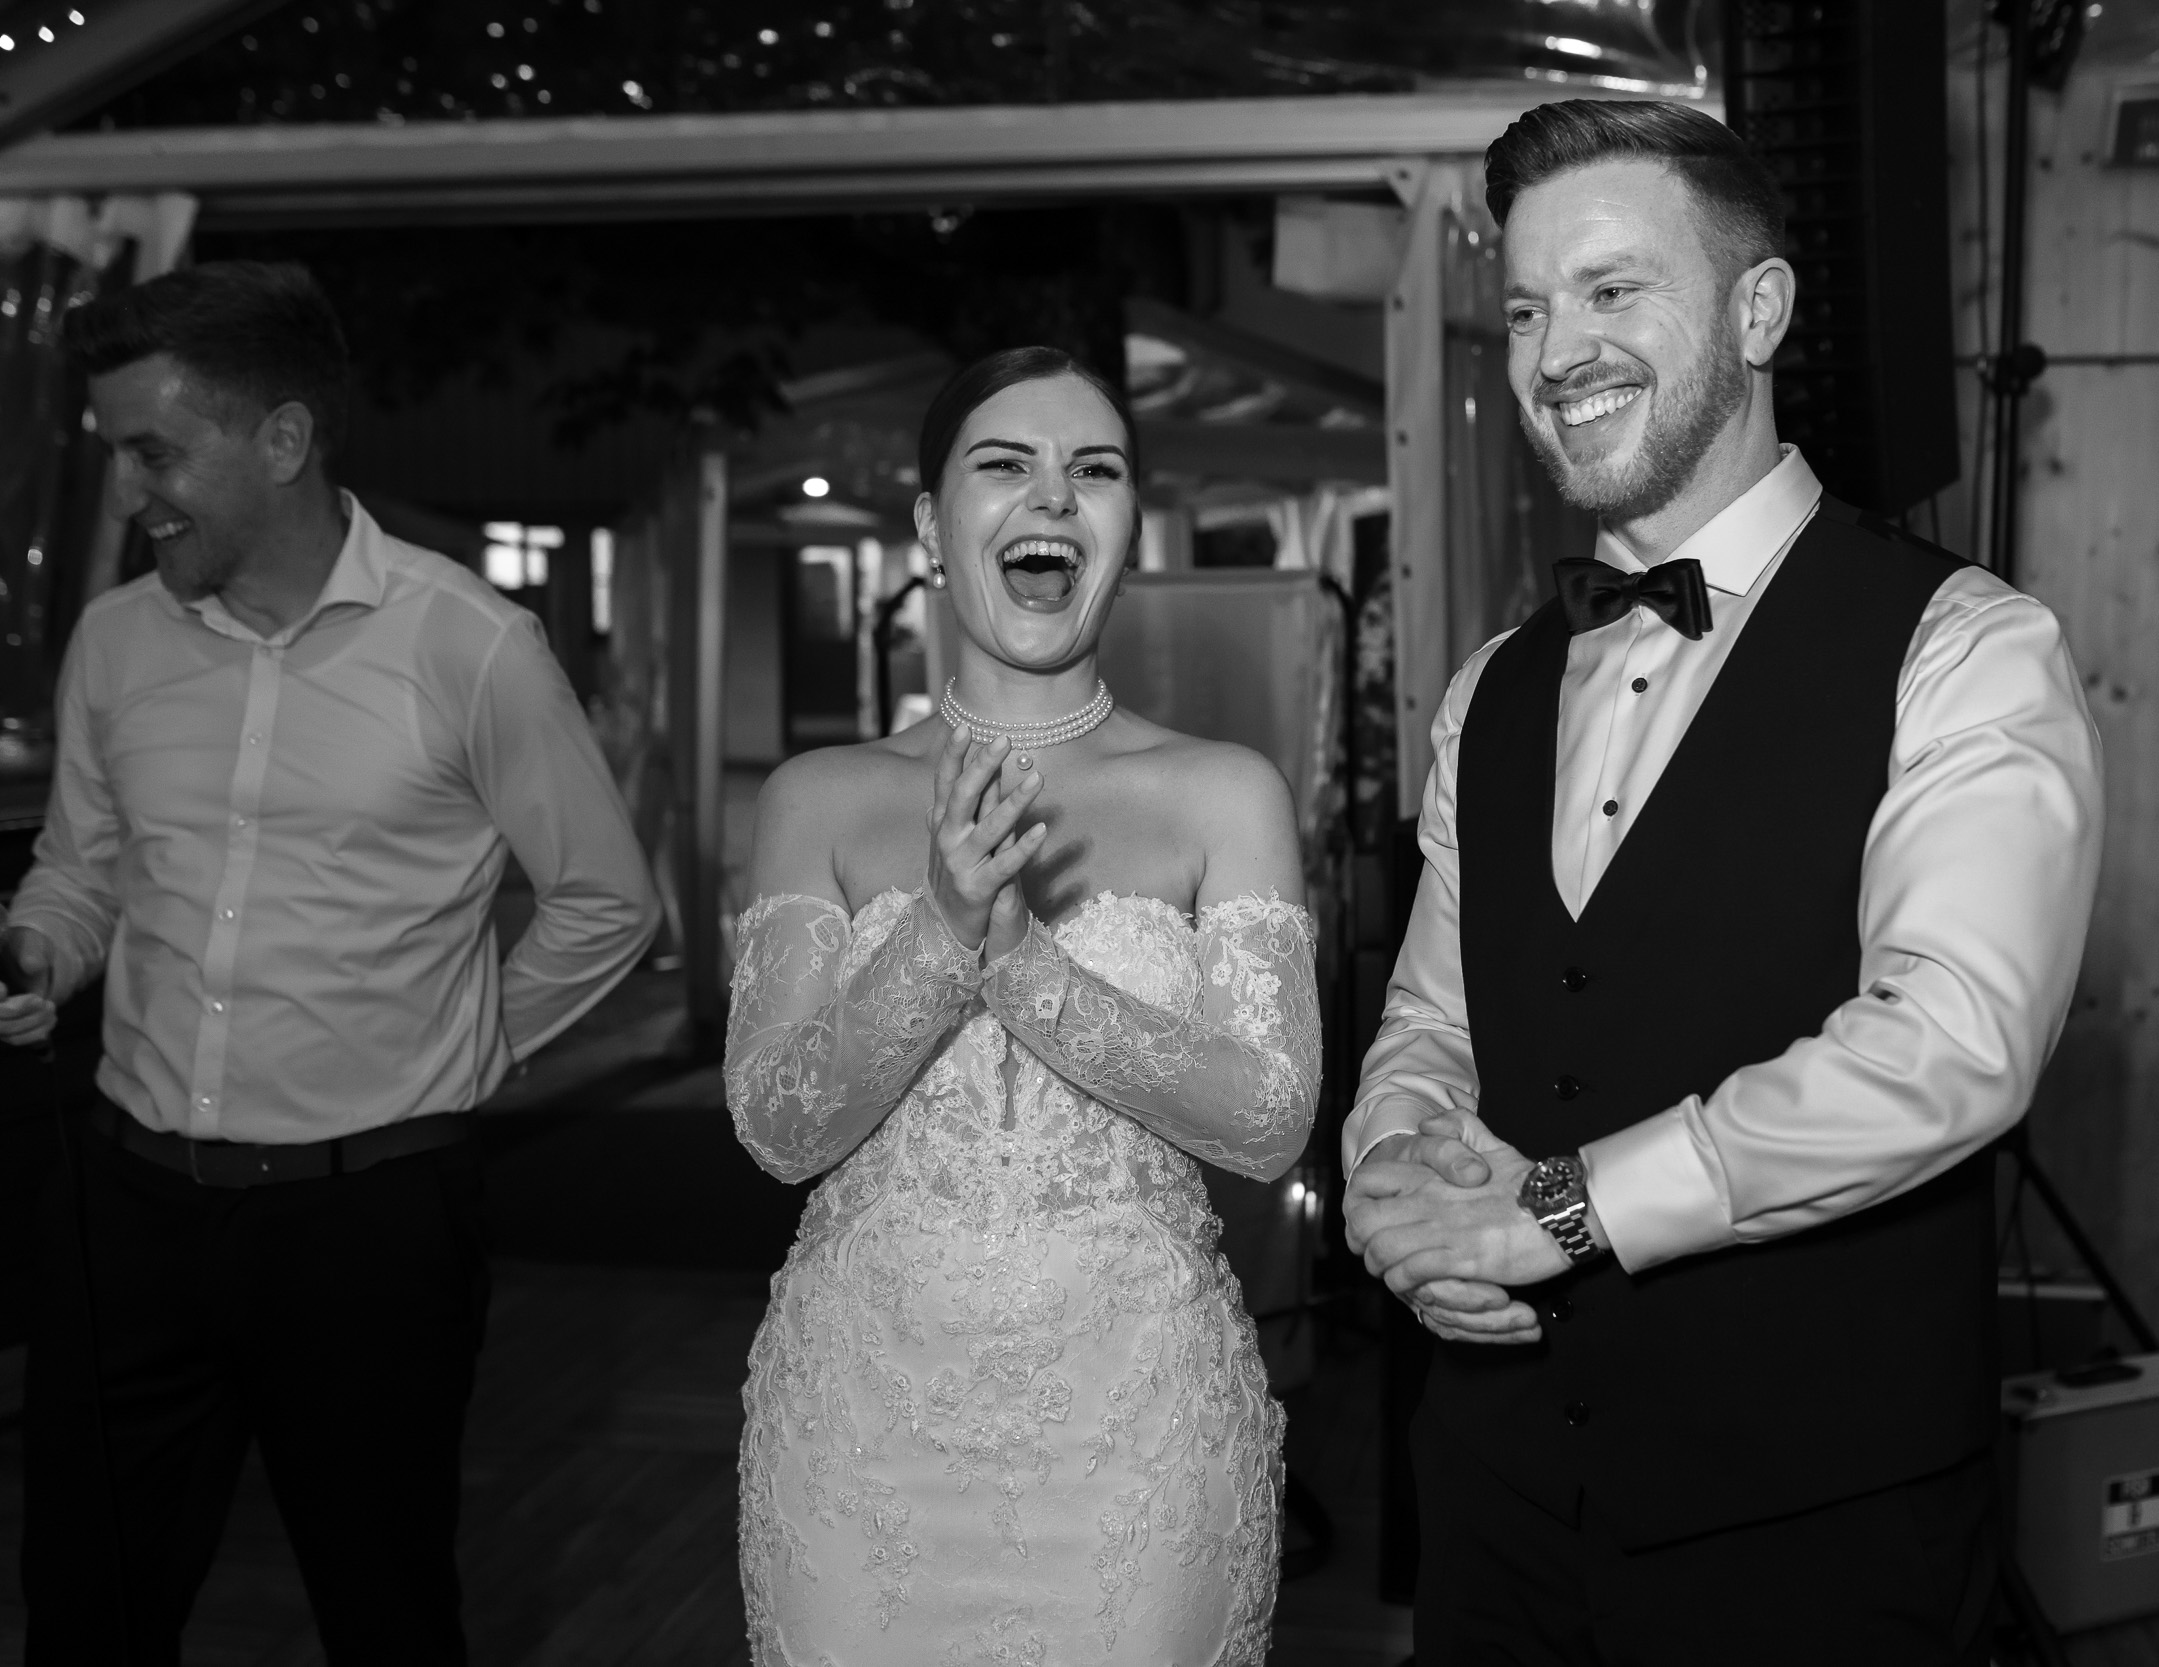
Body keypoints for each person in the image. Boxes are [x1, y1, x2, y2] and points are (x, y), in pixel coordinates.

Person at [1340, 101, 2105, 1665]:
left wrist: (1561, 1213)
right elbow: (1433, 1019)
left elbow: (1951, 1041)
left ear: (1759, 312)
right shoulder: (1490, 688)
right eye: (1527, 312)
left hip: (1813, 1532)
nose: (1559, 353)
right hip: (1492, 1509)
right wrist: (1400, 1186)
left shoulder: (1965, 648)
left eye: (1613, 290)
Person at [0, 261, 660, 1663]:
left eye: (152, 453)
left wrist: (468, 1044)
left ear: (283, 439)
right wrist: (42, 948)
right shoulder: (115, 639)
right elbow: (83, 865)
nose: (124, 493)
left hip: (368, 1231)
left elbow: (606, 900)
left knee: (385, 1616)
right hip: (126, 1213)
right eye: (114, 453)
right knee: (82, 1617)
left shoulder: (468, 645)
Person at [725, 346, 1317, 1665]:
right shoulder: (817, 799)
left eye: (1093, 471)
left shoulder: (1225, 793)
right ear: (932, 528)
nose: (1053, 496)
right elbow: (779, 1127)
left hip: (1136, 1439)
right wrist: (938, 930)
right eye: (1005, 465)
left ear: (1128, 531)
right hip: (863, 1439)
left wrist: (1026, 966)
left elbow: (1271, 1124)